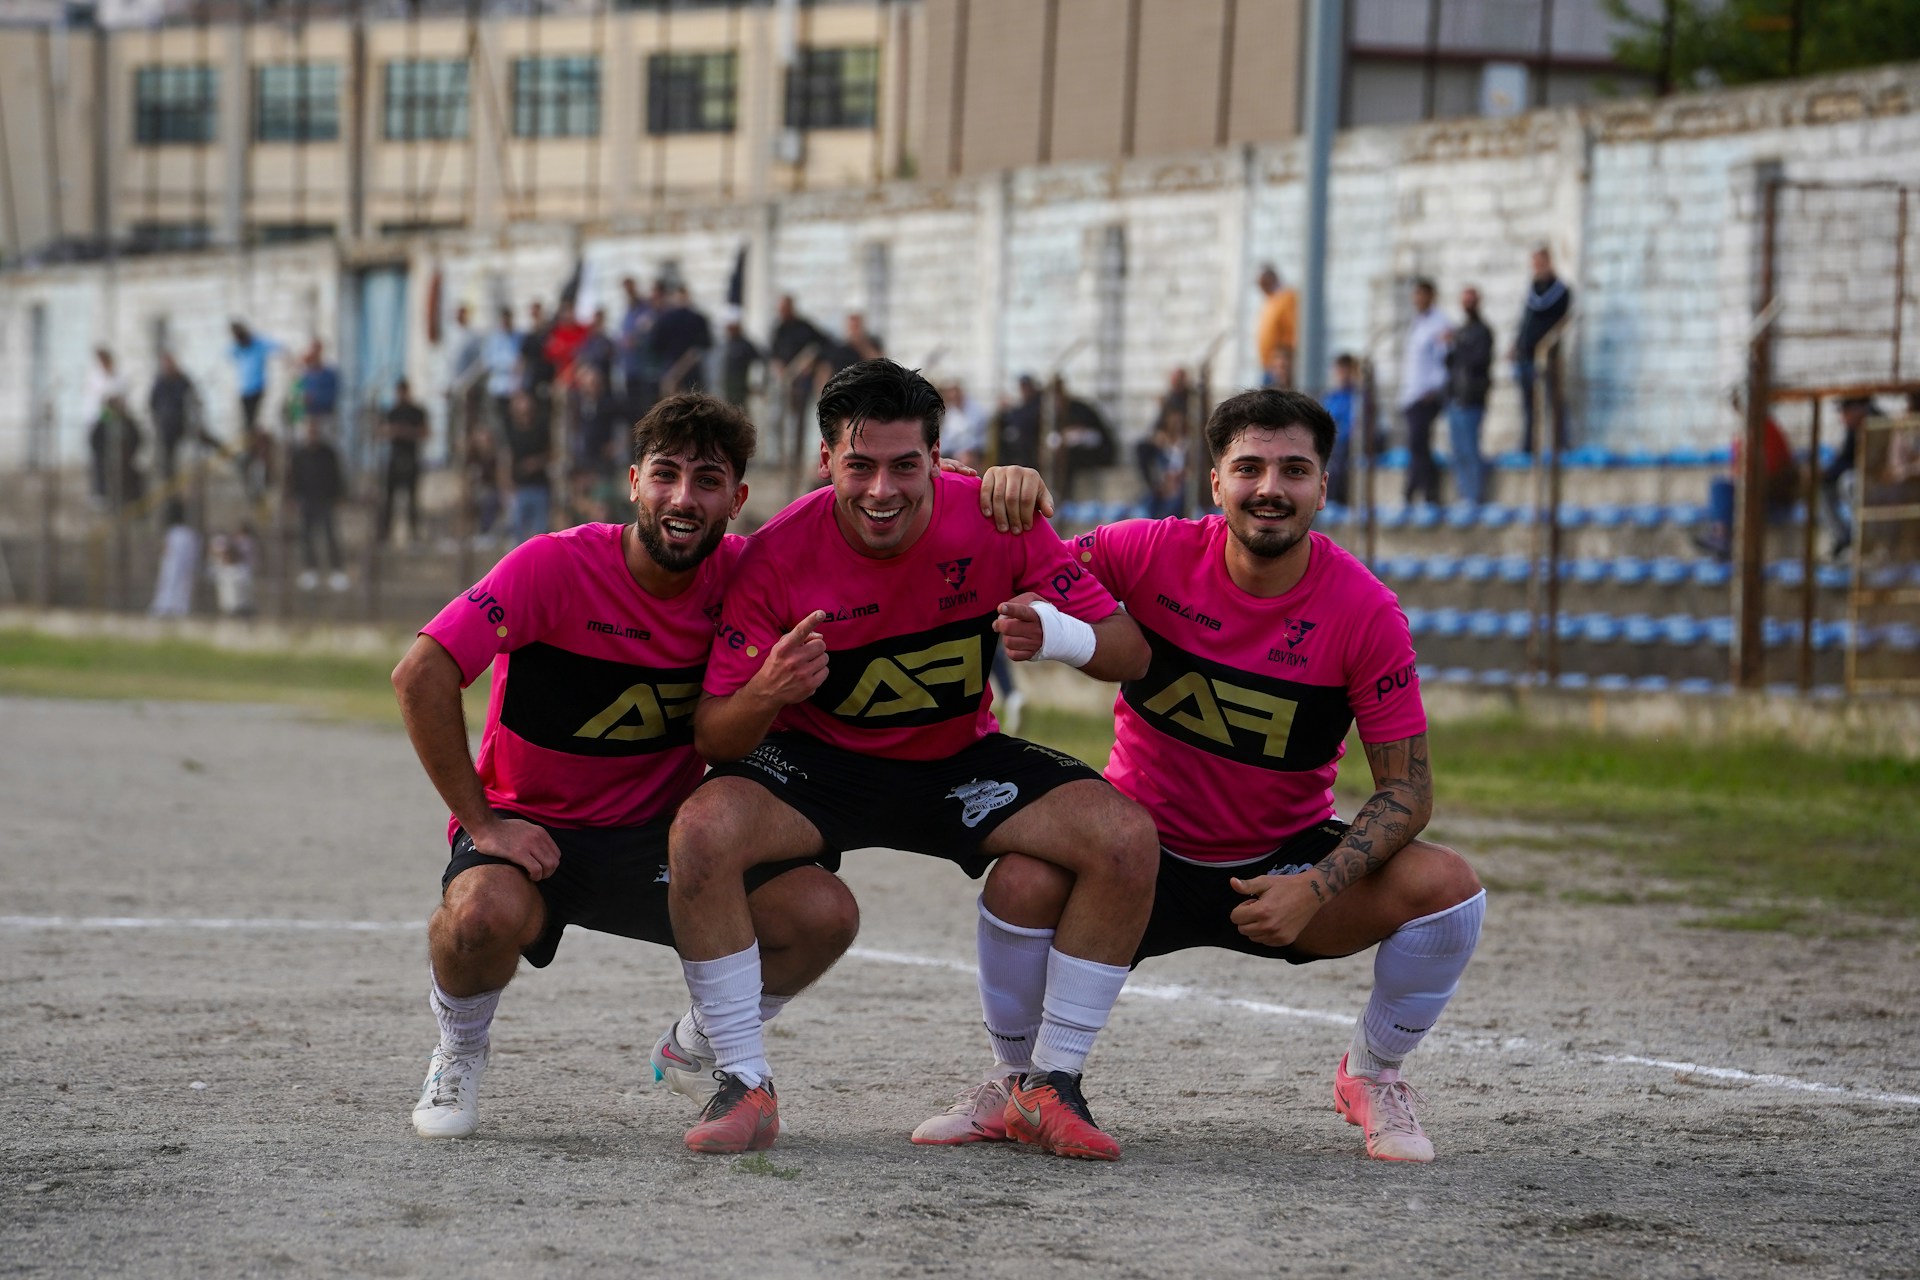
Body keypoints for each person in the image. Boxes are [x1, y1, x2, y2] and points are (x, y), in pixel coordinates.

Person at [945, 387, 1486, 1164]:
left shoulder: (1365, 612)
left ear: (1323, 488)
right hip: (1133, 863)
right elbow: (1026, 561)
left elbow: (1409, 791)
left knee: (1450, 892)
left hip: (1277, 871)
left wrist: (1317, 885)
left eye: (1294, 470)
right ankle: (1017, 1083)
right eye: (1250, 468)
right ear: (1215, 482)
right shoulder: (1144, 550)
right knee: (1021, 877)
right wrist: (988, 488)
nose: (1271, 488)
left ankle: (1373, 1075)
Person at [664, 359, 1159, 1159]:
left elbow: (1131, 654)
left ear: (939, 457)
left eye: (904, 465)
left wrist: (1059, 635)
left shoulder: (1000, 518)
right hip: (818, 767)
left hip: (955, 763)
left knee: (1126, 839)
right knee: (701, 831)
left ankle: (1048, 1086)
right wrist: (770, 690)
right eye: (859, 466)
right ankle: (741, 1079)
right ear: (826, 462)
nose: (881, 490)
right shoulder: (776, 556)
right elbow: (716, 739)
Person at [392, 393, 862, 1141]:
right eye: (667, 474)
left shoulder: (748, 576)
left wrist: (948, 482)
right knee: (478, 917)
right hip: (532, 830)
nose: (684, 497)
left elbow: (860, 534)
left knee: (823, 914)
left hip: (655, 841)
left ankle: (700, 1037)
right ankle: (457, 1052)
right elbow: (420, 674)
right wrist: (483, 823)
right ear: (635, 481)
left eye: (708, 481)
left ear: (736, 500)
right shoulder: (553, 564)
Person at [1695, 390, 1801, 561]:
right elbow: (1736, 467)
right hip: (1749, 488)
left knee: (1727, 491)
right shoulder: (1743, 432)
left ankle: (1723, 537)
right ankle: (1721, 535)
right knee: (1719, 486)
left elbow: (1773, 469)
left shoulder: (1768, 429)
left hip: (1770, 492)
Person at [1513, 246, 1572, 455]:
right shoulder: (1533, 289)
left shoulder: (1559, 290)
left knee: (1553, 401)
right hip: (1526, 356)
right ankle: (1529, 446)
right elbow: (1526, 320)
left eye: (1540, 262)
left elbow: (1557, 319)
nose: (1537, 267)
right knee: (1529, 406)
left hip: (1547, 357)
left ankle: (1560, 444)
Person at [1399, 279, 1449, 507]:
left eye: (1421, 295)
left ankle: (1426, 491)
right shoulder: (1417, 323)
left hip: (1426, 395)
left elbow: (1443, 359)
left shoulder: (1440, 324)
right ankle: (1415, 490)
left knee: (1420, 443)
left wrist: (1434, 388)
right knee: (1415, 445)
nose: (1417, 300)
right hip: (1412, 393)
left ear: (1431, 296)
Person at [287, 416, 349, 593]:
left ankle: (337, 571)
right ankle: (310, 570)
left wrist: (339, 495)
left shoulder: (328, 453)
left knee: (330, 535)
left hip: (326, 499)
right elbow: (293, 478)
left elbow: (337, 474)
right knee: (307, 536)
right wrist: (293, 498)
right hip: (307, 500)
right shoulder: (299, 454)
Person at [1445, 286, 1494, 506]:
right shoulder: (1461, 331)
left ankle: (1474, 495)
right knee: (1458, 451)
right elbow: (1450, 364)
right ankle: (1464, 494)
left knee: (1471, 449)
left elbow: (1478, 361)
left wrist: (1457, 343)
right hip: (1456, 398)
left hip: (1472, 398)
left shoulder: (1483, 331)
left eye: (1471, 300)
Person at [230, 321, 282, 496]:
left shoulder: (258, 344)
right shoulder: (238, 348)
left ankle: (253, 436)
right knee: (247, 420)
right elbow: (228, 354)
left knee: (254, 418)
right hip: (245, 390)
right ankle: (248, 440)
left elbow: (277, 346)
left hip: (257, 388)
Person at [380, 379, 430, 546]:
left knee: (411, 499)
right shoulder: (392, 411)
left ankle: (413, 535)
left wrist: (406, 432)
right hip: (395, 457)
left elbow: (424, 432)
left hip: (411, 457)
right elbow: (383, 431)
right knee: (389, 498)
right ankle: (385, 534)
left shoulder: (416, 412)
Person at [149, 353, 210, 482]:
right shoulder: (160, 382)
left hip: (184, 422)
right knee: (167, 460)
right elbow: (152, 403)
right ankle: (170, 488)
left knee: (203, 438)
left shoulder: (183, 380)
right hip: (167, 426)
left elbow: (194, 397)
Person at [503, 389, 553, 543]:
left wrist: (536, 463)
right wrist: (507, 482)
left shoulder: (541, 428)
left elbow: (551, 452)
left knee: (540, 531)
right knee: (517, 528)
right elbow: (506, 458)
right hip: (520, 487)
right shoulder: (511, 431)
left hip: (539, 485)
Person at [649, 287, 714, 396]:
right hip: (691, 369)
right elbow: (706, 344)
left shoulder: (664, 319)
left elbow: (655, 345)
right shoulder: (698, 319)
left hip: (672, 368)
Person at [149, 499, 200, 618]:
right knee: (182, 585)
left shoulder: (174, 534)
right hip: (185, 567)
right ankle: (176, 608)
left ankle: (165, 607)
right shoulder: (190, 534)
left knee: (169, 583)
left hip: (173, 565)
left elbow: (166, 551)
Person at [1322, 353, 1360, 507]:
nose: (1342, 375)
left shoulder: (1358, 396)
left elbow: (1355, 423)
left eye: (1346, 371)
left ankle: (1336, 501)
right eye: (1340, 370)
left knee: (1338, 462)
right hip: (1331, 441)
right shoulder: (1331, 396)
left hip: (1346, 442)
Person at [1256, 265, 1299, 388]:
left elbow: (1292, 328)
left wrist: (1287, 357)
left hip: (1280, 364)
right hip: (1268, 364)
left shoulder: (1286, 297)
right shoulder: (1271, 299)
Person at [482, 306, 522, 432]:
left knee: (515, 422)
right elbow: (488, 362)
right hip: (498, 387)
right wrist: (508, 365)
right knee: (500, 423)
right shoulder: (494, 339)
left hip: (514, 387)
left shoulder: (518, 337)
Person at [297, 341, 341, 438]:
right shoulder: (306, 376)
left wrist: (315, 398)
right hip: (309, 417)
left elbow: (332, 396)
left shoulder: (329, 375)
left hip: (325, 417)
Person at [720, 316, 762, 410]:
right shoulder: (727, 344)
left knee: (740, 409)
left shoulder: (745, 345)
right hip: (728, 385)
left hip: (741, 386)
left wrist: (755, 383)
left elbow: (758, 363)